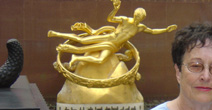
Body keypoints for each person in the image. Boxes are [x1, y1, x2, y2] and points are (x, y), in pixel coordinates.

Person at [48, 0, 177, 68]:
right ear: (134, 15)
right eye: (137, 16)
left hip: (114, 46)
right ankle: (56, 34)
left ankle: (76, 58)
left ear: (142, 18)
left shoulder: (140, 27)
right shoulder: (125, 20)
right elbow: (110, 19)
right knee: (82, 41)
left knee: (100, 60)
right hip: (109, 37)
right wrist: (115, 9)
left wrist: (166, 29)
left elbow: (152, 31)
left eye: (140, 18)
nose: (138, 19)